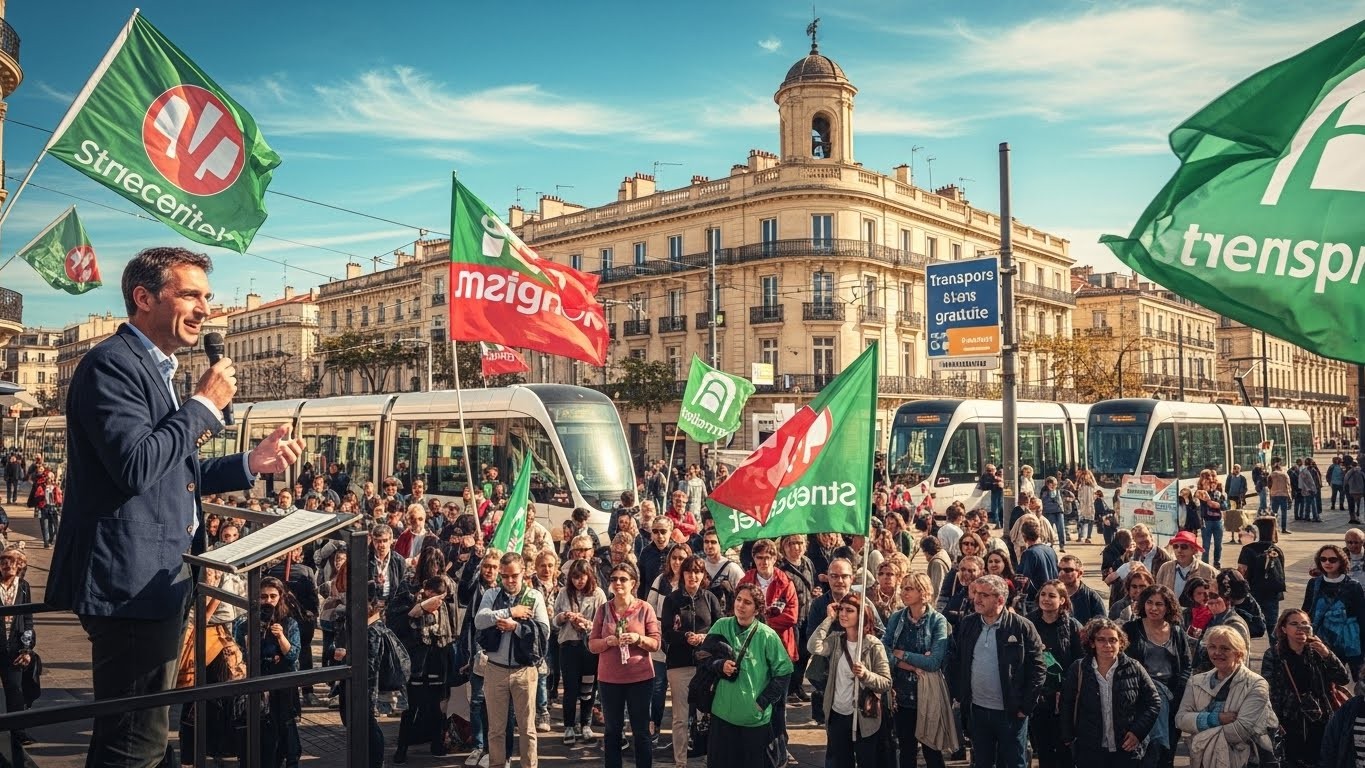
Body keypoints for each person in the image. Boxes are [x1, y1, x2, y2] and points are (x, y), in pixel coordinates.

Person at [48, 247, 305, 767]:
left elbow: (172, 475)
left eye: (207, 296)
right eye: (189, 294)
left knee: (139, 734)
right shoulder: (113, 366)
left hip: (153, 580)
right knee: (135, 744)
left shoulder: (153, 368)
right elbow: (137, 466)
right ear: (143, 298)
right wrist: (204, 405)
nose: (204, 308)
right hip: (131, 585)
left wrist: (250, 463)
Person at [946, 574, 1047, 768]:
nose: (977, 599)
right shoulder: (969, 623)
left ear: (1000, 599)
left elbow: (1038, 669)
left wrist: (1025, 707)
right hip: (978, 711)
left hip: (1010, 713)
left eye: (984, 595)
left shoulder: (1022, 627)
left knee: (1013, 762)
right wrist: (960, 695)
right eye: (976, 593)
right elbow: (958, 662)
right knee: (982, 762)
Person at [700, 583, 793, 768]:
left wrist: (763, 702)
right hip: (722, 714)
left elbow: (784, 672)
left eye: (748, 602)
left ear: (757, 610)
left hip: (754, 720)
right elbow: (702, 656)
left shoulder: (768, 636)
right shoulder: (721, 625)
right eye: (739, 599)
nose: (741, 605)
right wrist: (719, 665)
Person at [474, 551, 550, 768]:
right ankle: (497, 764)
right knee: (496, 729)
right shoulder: (492, 594)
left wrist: (515, 627)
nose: (509, 581)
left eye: (514, 576)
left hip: (524, 670)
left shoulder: (534, 596)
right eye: (505, 576)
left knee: (527, 728)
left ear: (523, 573)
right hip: (495, 669)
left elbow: (544, 632)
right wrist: (509, 611)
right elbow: (479, 620)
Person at [1060, 618, 1161, 768]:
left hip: (1126, 750)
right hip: (1090, 750)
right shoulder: (1079, 668)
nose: (1107, 645)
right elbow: (1067, 703)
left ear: (1120, 643)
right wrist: (1069, 737)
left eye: (1113, 640)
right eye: (1101, 640)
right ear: (1092, 643)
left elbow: (1154, 702)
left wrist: (1138, 732)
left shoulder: (1134, 667)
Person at [589, 561, 662, 768]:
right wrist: (607, 642)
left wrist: (638, 638)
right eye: (613, 579)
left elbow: (655, 643)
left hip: (640, 678)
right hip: (610, 679)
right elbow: (592, 644)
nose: (617, 583)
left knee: (640, 731)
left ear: (633, 583)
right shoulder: (603, 610)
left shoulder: (645, 608)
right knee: (612, 730)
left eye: (623, 579)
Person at [387, 549, 458, 762]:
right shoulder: (408, 589)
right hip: (416, 660)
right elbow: (395, 620)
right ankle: (402, 748)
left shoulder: (446, 594)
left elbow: (451, 627)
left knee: (438, 706)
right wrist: (416, 610)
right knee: (411, 707)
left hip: (438, 658)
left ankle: (437, 743)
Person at [809, 592, 892, 768]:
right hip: (838, 713)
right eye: (841, 609)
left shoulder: (873, 645)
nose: (843, 614)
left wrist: (865, 675)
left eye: (850, 610)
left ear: (861, 615)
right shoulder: (836, 640)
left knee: (866, 761)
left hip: (864, 715)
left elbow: (886, 682)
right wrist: (828, 619)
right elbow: (813, 646)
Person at [1174, 625, 1276, 768]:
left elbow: (1241, 730)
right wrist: (1216, 718)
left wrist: (1199, 736)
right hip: (1202, 760)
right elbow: (1181, 720)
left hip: (1244, 761)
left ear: (1239, 653)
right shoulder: (1196, 681)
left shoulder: (1256, 684)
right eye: (1212, 647)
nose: (1217, 652)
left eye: (1225, 648)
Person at [1261, 608, 1352, 768]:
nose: (1300, 628)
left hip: (1320, 717)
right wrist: (1275, 721)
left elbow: (1343, 678)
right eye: (1294, 624)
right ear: (1284, 629)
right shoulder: (1274, 654)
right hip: (1290, 719)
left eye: (1304, 624)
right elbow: (1269, 691)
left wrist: (1327, 655)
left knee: (1321, 759)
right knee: (1292, 760)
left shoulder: (1317, 650)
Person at [737, 539, 799, 762]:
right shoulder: (745, 581)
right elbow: (739, 612)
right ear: (753, 559)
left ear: (775, 558)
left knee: (778, 705)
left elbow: (791, 616)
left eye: (768, 557)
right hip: (752, 652)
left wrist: (762, 623)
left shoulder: (785, 582)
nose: (764, 561)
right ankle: (758, 747)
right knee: (755, 700)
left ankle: (781, 749)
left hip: (780, 650)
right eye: (759, 557)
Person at [660, 555, 723, 768]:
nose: (693, 576)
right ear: (682, 574)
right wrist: (686, 636)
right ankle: (680, 762)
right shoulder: (672, 599)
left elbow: (720, 628)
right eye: (688, 571)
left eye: (697, 571)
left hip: (707, 665)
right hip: (679, 664)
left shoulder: (710, 598)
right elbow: (667, 633)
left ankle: (708, 757)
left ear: (703, 574)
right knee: (680, 716)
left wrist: (706, 638)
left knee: (706, 713)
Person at [883, 571, 950, 768]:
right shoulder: (897, 618)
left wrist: (901, 654)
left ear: (923, 592)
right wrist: (911, 665)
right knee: (906, 749)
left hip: (928, 693)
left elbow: (933, 662)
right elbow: (884, 652)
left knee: (932, 749)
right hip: (902, 695)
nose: (903, 592)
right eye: (903, 588)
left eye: (909, 589)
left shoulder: (937, 621)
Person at [235, 576, 301, 768]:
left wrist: (280, 637)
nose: (268, 601)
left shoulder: (289, 623)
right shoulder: (245, 624)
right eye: (264, 597)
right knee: (260, 724)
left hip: (282, 681)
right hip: (257, 680)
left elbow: (293, 655)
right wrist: (250, 640)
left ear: (280, 597)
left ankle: (291, 758)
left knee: (285, 723)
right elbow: (240, 654)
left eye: (273, 596)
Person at [1123, 584, 1190, 768]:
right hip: (1140, 694)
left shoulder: (1176, 632)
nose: (1153, 608)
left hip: (1171, 696)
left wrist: (1177, 694)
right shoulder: (1131, 629)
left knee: (1166, 754)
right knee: (1145, 750)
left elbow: (1186, 666)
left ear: (1168, 607)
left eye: (1159, 604)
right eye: (1150, 603)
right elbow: (1122, 662)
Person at [1024, 579, 1083, 768]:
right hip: (1037, 696)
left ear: (1063, 600)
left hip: (1064, 698)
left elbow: (1080, 662)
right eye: (1043, 594)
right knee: (1044, 749)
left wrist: (1066, 689)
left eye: (1052, 595)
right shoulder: (1027, 624)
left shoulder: (1073, 626)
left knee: (1065, 748)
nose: (1046, 599)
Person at [553, 558, 605, 745]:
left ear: (589, 576)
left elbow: (603, 623)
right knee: (570, 689)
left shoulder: (598, 594)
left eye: (582, 577)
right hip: (569, 647)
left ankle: (585, 724)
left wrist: (587, 625)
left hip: (589, 648)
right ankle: (568, 725)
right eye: (574, 578)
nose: (578, 581)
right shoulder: (563, 593)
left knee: (588, 688)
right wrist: (564, 616)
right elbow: (554, 620)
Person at [1301, 543, 1365, 675]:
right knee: (1323, 679)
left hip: (1349, 642)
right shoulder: (1314, 583)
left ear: (1341, 561)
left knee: (1355, 679)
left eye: (1332, 559)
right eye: (1323, 559)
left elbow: (1362, 617)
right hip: (1322, 640)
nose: (1327, 562)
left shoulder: (1353, 586)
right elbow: (1306, 611)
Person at [1237, 516, 1286, 623]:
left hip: (1253, 592)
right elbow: (1280, 575)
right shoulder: (1276, 550)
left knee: (1250, 626)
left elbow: (1241, 572)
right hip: (1272, 594)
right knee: (1272, 627)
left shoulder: (1248, 549)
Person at [1155, 530, 1217, 599]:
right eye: (1175, 546)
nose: (1179, 550)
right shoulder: (1165, 568)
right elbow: (1157, 593)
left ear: (1194, 550)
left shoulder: (1207, 570)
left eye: (1184, 547)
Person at [1058, 554, 1107, 624]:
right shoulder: (1050, 594)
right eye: (1059, 569)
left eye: (1068, 570)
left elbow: (1102, 626)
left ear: (1080, 573)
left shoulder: (1091, 598)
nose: (1061, 573)